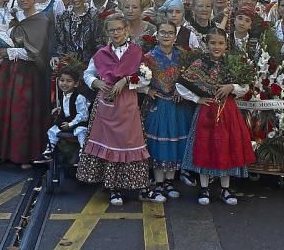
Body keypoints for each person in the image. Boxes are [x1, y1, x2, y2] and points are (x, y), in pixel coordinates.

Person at [0, 0, 54, 168]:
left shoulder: (42, 20)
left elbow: (38, 53)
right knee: (0, 111)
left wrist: (8, 52)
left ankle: (24, 154)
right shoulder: (14, 17)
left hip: (27, 73)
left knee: (22, 113)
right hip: (7, 72)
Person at [76, 14, 153, 204]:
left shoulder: (136, 52)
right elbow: (88, 73)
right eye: (112, 30)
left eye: (119, 29)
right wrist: (96, 83)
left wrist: (126, 80)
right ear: (107, 33)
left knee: (130, 142)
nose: (116, 33)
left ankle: (137, 185)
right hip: (106, 105)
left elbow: (145, 77)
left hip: (127, 104)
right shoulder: (101, 54)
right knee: (109, 144)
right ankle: (113, 187)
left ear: (127, 30)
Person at [177, 30, 256, 205]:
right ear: (207, 44)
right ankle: (204, 188)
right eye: (213, 43)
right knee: (204, 146)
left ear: (226, 45)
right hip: (206, 110)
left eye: (220, 43)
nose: (217, 47)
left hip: (228, 111)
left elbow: (245, 86)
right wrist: (197, 98)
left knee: (227, 146)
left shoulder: (232, 63)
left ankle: (225, 188)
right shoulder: (200, 63)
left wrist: (231, 86)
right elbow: (181, 84)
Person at [143, 20, 194, 200]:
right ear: (157, 35)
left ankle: (169, 182)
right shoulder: (148, 57)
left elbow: (191, 79)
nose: (166, 35)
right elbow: (138, 80)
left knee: (174, 142)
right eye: (162, 32)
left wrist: (183, 91)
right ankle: (158, 183)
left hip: (178, 106)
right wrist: (146, 89)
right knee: (159, 144)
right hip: (159, 105)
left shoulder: (183, 56)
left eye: (170, 32)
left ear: (175, 36)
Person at [41, 65, 90, 162]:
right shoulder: (63, 95)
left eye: (69, 81)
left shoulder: (79, 97)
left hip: (77, 122)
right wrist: (60, 108)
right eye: (62, 80)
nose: (64, 83)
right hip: (66, 121)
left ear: (76, 84)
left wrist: (71, 124)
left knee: (82, 131)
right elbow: (68, 107)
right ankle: (49, 150)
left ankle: (83, 152)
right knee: (52, 130)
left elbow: (83, 115)